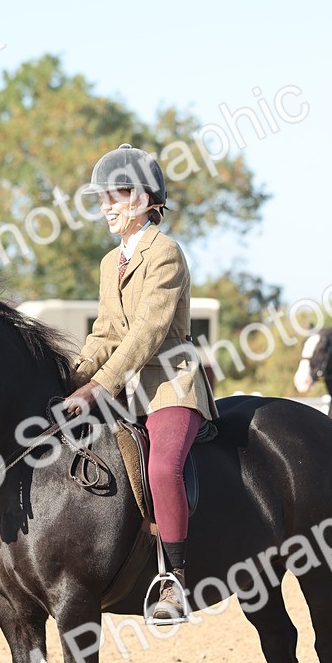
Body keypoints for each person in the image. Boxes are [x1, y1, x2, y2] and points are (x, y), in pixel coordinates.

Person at [63, 143, 218, 621]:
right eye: (103, 197)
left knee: (162, 470)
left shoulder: (165, 253)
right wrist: (71, 376)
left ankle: (174, 581)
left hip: (171, 386)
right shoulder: (112, 264)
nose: (107, 205)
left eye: (118, 194)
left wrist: (100, 386)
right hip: (127, 390)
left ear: (148, 198)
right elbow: (107, 332)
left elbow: (147, 334)